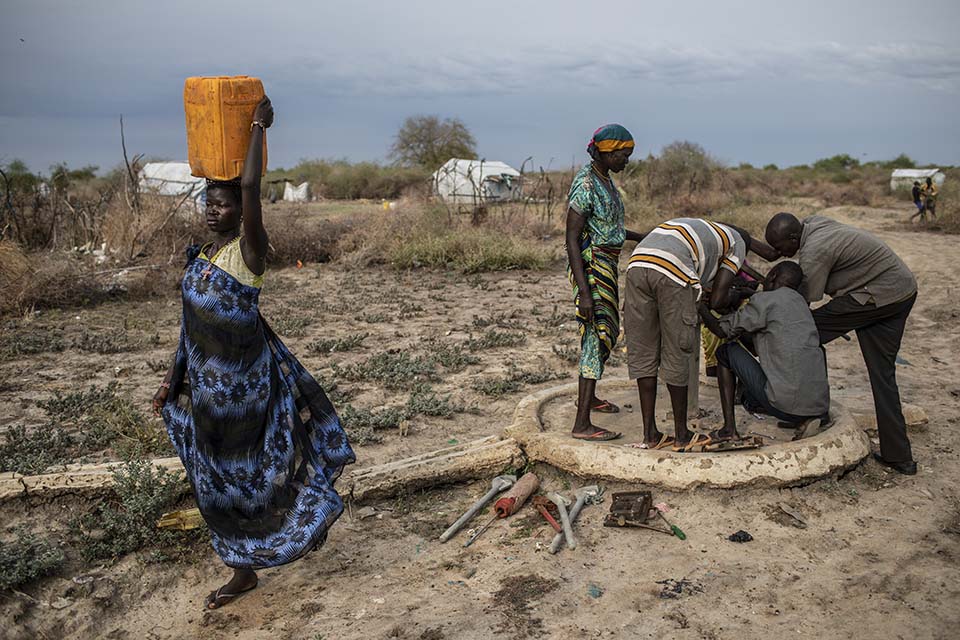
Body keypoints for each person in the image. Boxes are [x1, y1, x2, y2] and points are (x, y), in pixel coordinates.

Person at [153, 96, 355, 609]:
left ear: (241, 211)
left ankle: (295, 528)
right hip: (205, 391)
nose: (211, 208)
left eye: (221, 203)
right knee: (213, 482)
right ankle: (240, 570)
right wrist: (170, 380)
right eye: (207, 201)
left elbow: (248, 186)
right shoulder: (200, 257)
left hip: (247, 388)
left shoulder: (249, 253)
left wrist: (256, 129)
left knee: (257, 474)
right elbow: (188, 325)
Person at [765, 212, 918, 474]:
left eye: (781, 248)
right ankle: (899, 456)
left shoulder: (815, 251)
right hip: (900, 290)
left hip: (877, 295)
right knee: (883, 374)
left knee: (804, 335)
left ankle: (811, 411)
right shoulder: (814, 225)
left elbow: (799, 305)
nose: (781, 254)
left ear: (794, 237)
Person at [623, 218, 778, 451]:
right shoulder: (737, 243)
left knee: (643, 351)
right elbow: (717, 299)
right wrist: (735, 295)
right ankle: (682, 435)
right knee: (677, 350)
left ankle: (650, 434)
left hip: (636, 265)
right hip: (673, 271)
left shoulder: (701, 228)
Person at [565, 124, 646, 441]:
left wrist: (642, 236)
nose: (627, 160)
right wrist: (584, 292)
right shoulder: (586, 184)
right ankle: (581, 423)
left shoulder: (606, 181)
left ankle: (589, 397)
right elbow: (571, 239)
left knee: (607, 332)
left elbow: (610, 228)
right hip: (592, 266)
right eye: (623, 154)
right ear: (607, 152)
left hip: (607, 263)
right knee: (595, 337)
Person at [699, 261, 830, 442]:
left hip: (784, 406)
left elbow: (723, 331)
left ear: (773, 276)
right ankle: (806, 417)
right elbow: (754, 344)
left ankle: (729, 428)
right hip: (819, 406)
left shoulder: (765, 300)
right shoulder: (800, 303)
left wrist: (701, 308)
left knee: (725, 351)